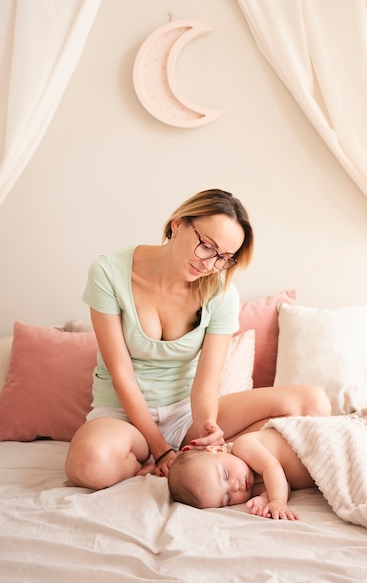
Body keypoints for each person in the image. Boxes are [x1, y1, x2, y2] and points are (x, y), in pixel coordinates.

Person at [65, 189, 331, 490]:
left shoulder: (221, 292)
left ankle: (221, 451)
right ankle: (150, 460)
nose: (209, 265)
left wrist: (208, 426)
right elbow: (121, 373)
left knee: (313, 403)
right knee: (88, 465)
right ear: (178, 224)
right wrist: (159, 448)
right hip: (122, 415)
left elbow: (206, 383)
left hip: (186, 412)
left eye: (223, 258)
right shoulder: (108, 272)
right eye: (207, 246)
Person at [168, 427, 315, 521]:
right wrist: (266, 499)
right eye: (227, 497)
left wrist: (278, 500)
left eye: (225, 474)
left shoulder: (243, 446)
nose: (235, 487)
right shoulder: (249, 485)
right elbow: (283, 484)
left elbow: (273, 467)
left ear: (217, 450)